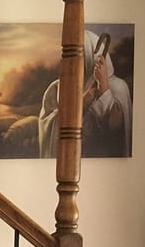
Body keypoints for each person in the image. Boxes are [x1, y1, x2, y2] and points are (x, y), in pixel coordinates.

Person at [37, 30, 132, 158]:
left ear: (89, 56)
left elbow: (117, 131)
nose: (70, 62)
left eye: (76, 56)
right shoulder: (56, 88)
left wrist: (103, 88)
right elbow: (47, 126)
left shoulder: (118, 87)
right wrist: (81, 105)